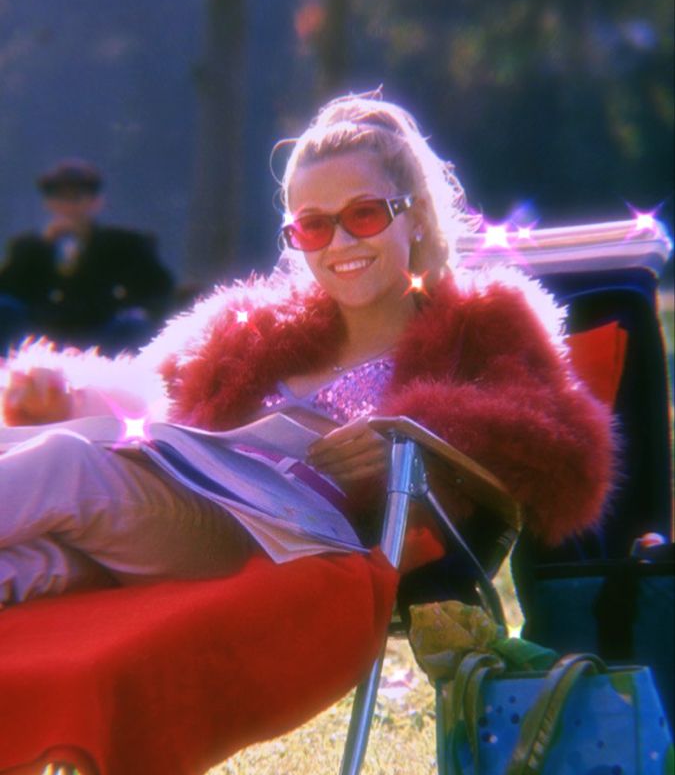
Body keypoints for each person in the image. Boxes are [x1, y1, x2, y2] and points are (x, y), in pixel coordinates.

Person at [0, 91, 616, 608]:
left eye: (366, 214)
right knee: (35, 560)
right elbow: (147, 401)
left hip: (288, 543)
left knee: (67, 465)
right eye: (314, 225)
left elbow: (568, 454)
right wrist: (60, 393)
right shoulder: (251, 327)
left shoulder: (481, 323)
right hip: (186, 505)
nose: (340, 241)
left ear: (418, 215)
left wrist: (415, 438)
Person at [0, 159, 175, 353]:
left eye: (76, 198)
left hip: (99, 330)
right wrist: (42, 247)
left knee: (134, 324)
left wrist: (129, 307)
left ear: (95, 202)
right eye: (60, 198)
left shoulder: (123, 243)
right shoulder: (27, 245)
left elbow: (158, 287)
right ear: (48, 203)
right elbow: (8, 289)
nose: (68, 207)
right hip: (39, 331)